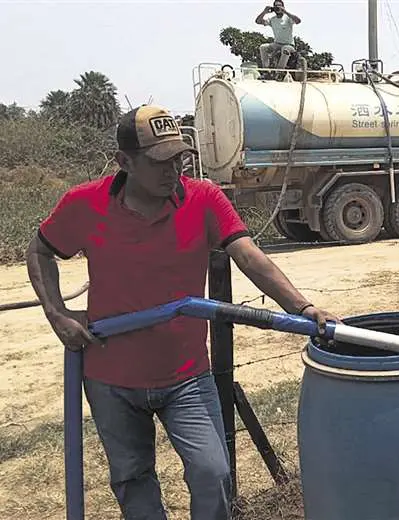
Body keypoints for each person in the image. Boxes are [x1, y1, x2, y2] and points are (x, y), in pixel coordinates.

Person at [25, 104, 339, 520]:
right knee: (132, 477)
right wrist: (57, 313)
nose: (173, 170)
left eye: (178, 158)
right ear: (125, 162)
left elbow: (248, 255)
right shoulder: (85, 205)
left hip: (187, 376)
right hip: (110, 378)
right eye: (159, 162)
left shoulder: (203, 198)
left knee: (213, 471)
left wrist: (302, 306)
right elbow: (40, 250)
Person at [255, 0, 301, 71]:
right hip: (277, 44)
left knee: (285, 49)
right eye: (276, 6)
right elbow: (258, 21)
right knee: (263, 47)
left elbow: (298, 21)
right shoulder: (272, 19)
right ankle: (266, 71)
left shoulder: (288, 18)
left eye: (279, 5)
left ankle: (279, 71)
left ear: (283, 7)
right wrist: (264, 12)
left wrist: (285, 12)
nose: (277, 7)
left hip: (289, 45)